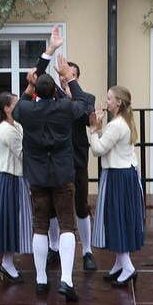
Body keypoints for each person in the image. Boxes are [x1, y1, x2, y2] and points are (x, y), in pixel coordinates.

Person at [13, 54, 92, 302]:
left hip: (37, 175)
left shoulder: (26, 109)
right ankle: (66, 280)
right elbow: (83, 102)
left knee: (40, 226)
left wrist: (29, 86)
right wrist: (69, 77)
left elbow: (17, 108)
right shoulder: (65, 108)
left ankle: (41, 280)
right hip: (62, 174)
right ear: (55, 91)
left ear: (37, 91)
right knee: (67, 225)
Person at [36, 26, 97, 271]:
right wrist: (50, 51)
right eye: (62, 75)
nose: (64, 78)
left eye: (70, 75)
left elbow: (86, 116)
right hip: (55, 160)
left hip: (78, 159)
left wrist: (73, 91)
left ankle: (87, 250)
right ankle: (53, 247)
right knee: (52, 207)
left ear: (76, 78)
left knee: (81, 206)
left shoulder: (87, 98)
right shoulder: (53, 97)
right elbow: (36, 78)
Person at [89, 86, 146, 288]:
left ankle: (128, 267)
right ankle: (119, 265)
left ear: (119, 102)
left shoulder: (116, 125)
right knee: (120, 218)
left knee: (116, 219)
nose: (106, 102)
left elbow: (98, 149)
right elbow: (110, 145)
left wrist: (93, 129)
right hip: (126, 175)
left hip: (117, 177)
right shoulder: (124, 121)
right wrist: (100, 127)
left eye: (109, 99)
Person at [0, 91, 33, 283]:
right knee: (10, 220)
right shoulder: (7, 130)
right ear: (7, 109)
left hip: (15, 178)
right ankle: (6, 263)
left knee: (14, 220)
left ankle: (7, 262)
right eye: (16, 104)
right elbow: (23, 155)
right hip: (9, 179)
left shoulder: (17, 125)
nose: (20, 106)